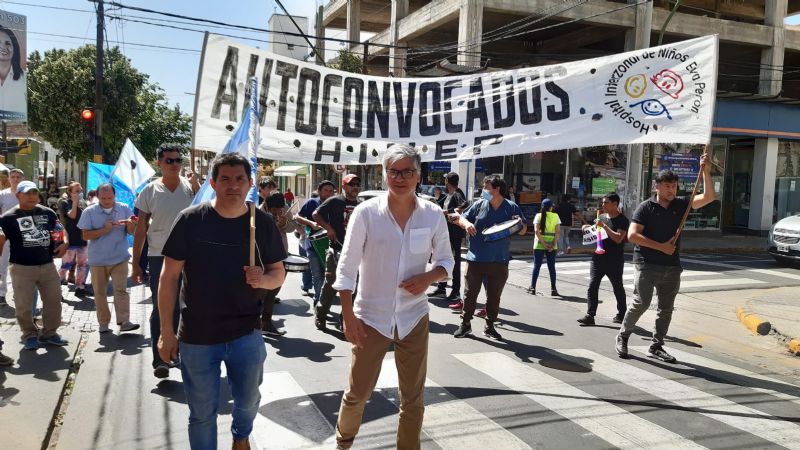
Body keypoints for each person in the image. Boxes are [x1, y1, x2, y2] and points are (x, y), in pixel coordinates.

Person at [158, 152, 286, 450]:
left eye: (240, 179)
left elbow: (278, 273)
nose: (233, 185)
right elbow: (169, 277)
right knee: (201, 414)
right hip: (197, 336)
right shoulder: (191, 220)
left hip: (247, 333)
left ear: (250, 183)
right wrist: (166, 330)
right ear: (213, 183)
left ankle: (241, 437)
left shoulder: (261, 223)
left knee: (249, 401)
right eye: (225, 179)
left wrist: (262, 280)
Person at [333, 145, 453, 449]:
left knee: (413, 399)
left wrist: (428, 277)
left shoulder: (433, 214)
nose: (400, 178)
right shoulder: (366, 213)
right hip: (370, 317)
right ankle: (343, 442)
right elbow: (346, 269)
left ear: (418, 175)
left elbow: (446, 262)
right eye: (394, 171)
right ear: (384, 174)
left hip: (414, 316)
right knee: (358, 393)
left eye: (407, 171)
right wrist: (348, 317)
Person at [616, 157, 716, 363]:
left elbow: (709, 197)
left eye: (675, 186)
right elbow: (632, 236)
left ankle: (656, 345)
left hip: (671, 266)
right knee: (641, 302)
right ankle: (623, 335)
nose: (672, 190)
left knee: (666, 308)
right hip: (647, 263)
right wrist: (661, 246)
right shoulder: (646, 207)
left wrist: (705, 170)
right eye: (668, 186)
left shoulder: (681, 205)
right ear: (657, 187)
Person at [133, 143, 200, 379]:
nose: (174, 164)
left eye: (177, 160)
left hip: (190, 257)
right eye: (169, 160)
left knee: (186, 306)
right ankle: (160, 359)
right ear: (159, 163)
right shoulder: (149, 191)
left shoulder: (191, 189)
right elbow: (140, 229)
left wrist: (198, 188)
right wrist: (135, 262)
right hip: (159, 256)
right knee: (161, 308)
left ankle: (179, 351)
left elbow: (204, 215)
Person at [451, 175, 526, 340]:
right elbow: (462, 218)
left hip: (499, 261)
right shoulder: (479, 205)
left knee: (494, 297)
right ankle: (465, 325)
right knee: (470, 294)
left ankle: (490, 326)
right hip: (475, 259)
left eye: (486, 188)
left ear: (497, 189)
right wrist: (467, 224)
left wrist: (519, 224)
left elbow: (522, 230)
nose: (483, 191)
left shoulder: (511, 207)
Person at [0, 181, 69, 350]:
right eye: (27, 193)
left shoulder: (48, 212)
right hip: (21, 268)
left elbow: (60, 230)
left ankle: (50, 333)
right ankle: (29, 335)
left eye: (34, 193)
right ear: (18, 195)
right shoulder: (8, 217)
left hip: (47, 265)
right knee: (23, 305)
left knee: (54, 302)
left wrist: (65, 243)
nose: (32, 196)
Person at [78, 184, 140, 334]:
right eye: (103, 198)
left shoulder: (124, 208)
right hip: (97, 260)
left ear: (115, 195)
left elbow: (131, 232)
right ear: (97, 196)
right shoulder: (89, 211)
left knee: (121, 290)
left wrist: (133, 225)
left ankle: (124, 321)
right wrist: (104, 230)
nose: (106, 201)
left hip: (120, 257)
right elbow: (85, 235)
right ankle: (103, 323)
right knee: (100, 293)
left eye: (110, 198)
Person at [312, 174, 360, 331]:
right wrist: (329, 228)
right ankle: (320, 314)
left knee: (352, 286)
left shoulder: (361, 205)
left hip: (355, 252)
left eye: (357, 184)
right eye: (352, 184)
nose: (355, 187)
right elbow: (315, 214)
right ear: (344, 186)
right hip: (336, 249)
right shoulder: (335, 200)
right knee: (331, 284)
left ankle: (344, 318)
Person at [578, 193, 630, 326]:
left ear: (615, 204)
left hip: (614, 259)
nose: (603, 205)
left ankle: (621, 313)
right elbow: (596, 234)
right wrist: (587, 228)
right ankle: (590, 315)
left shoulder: (622, 220)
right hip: (598, 258)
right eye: (602, 202)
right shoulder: (600, 217)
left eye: (606, 203)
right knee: (592, 285)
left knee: (617, 287)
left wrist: (605, 226)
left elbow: (618, 238)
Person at [259, 192, 295, 336]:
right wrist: (275, 225)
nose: (278, 212)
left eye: (280, 209)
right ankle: (256, 322)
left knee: (274, 290)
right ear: (268, 206)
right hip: (263, 258)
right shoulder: (259, 212)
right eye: (275, 210)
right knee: (261, 293)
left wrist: (284, 223)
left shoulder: (284, 209)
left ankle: (266, 323)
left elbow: (293, 227)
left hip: (280, 255)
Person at [294, 181, 335, 304]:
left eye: (331, 191)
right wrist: (311, 223)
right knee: (317, 275)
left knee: (329, 276)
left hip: (332, 246)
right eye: (326, 190)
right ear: (319, 191)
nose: (328, 193)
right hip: (313, 245)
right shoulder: (312, 203)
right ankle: (319, 301)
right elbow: (297, 216)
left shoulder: (336, 204)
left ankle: (323, 300)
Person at [429, 172, 468, 303]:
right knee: (443, 258)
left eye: (445, 179)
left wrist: (448, 212)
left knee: (455, 262)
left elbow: (465, 205)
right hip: (446, 232)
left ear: (448, 181)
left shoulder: (457, 193)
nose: (444, 181)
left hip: (455, 233)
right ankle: (441, 288)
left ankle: (456, 291)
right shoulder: (449, 195)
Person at [57, 181, 89, 296]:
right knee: (66, 265)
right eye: (76, 191)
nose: (79, 193)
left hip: (82, 239)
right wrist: (75, 202)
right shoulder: (65, 202)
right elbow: (72, 215)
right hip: (70, 239)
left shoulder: (84, 203)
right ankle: (57, 287)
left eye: (80, 190)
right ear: (69, 192)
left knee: (82, 265)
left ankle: (80, 286)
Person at [0, 168, 24, 305]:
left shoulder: (27, 194)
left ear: (22, 179)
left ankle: (19, 293)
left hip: (23, 235)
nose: (15, 179)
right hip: (5, 235)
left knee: (21, 266)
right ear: (9, 179)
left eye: (18, 177)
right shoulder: (2, 194)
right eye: (13, 177)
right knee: (2, 265)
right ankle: (2, 293)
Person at [529, 198, 561, 297]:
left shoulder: (538, 216)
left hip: (539, 244)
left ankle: (533, 287)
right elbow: (558, 232)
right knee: (551, 267)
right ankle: (553, 289)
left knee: (536, 266)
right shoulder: (555, 216)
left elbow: (536, 231)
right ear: (551, 207)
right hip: (552, 245)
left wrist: (543, 244)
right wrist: (553, 245)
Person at [0, 25, 26, 118]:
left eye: (8, 43)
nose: (3, 47)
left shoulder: (24, 78)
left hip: (15, 127)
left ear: (14, 48)